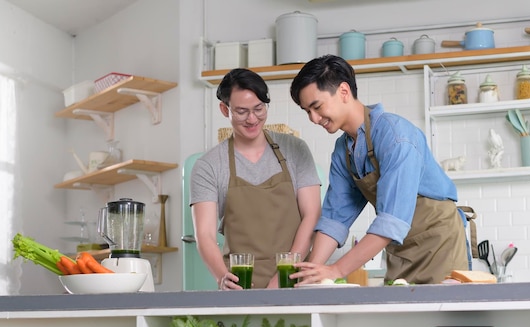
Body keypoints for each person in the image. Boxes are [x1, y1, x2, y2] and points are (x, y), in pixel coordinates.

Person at [289, 55, 468, 285]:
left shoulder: (396, 136)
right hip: (400, 250)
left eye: (317, 107)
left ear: (343, 91)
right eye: (307, 112)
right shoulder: (344, 150)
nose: (313, 118)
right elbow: (335, 219)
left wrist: (335, 270)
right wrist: (312, 273)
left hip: (440, 245)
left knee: (440, 318)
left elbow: (391, 220)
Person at [190, 68, 321, 290]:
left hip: (294, 281)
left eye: (259, 109)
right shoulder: (209, 166)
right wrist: (223, 277)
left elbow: (312, 216)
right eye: (241, 111)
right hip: (240, 288)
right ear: (225, 110)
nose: (252, 119)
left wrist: (283, 275)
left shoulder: (295, 150)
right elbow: (204, 235)